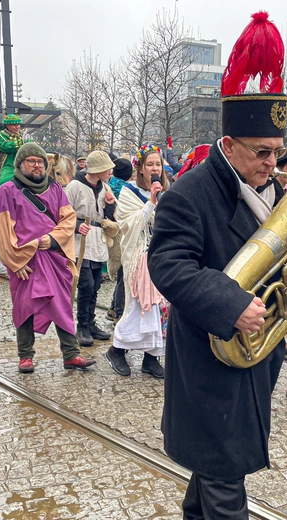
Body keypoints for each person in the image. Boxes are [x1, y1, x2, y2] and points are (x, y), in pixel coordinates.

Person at [147, 12, 287, 518]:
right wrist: (231, 303)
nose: (271, 163)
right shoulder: (189, 194)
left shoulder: (273, 189)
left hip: (256, 351)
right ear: (228, 146)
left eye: (277, 152)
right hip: (211, 353)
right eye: (261, 153)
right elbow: (166, 263)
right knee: (225, 469)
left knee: (215, 464)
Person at [0, 143, 96, 373]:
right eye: (31, 161)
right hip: (24, 260)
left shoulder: (56, 189)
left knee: (62, 304)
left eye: (40, 162)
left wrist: (53, 240)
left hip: (53, 257)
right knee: (25, 306)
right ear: (20, 164)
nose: (37, 165)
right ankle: (25, 356)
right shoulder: (7, 191)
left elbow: (68, 220)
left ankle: (71, 354)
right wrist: (15, 262)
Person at [105, 144, 167, 379]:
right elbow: (127, 224)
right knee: (140, 306)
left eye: (157, 164)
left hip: (162, 255)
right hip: (141, 256)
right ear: (140, 168)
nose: (154, 168)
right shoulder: (130, 192)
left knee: (161, 309)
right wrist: (151, 203)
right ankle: (117, 350)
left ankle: (152, 358)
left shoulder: (166, 190)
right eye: (149, 164)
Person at [65, 150, 117, 346]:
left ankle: (91, 323)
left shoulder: (104, 187)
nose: (110, 172)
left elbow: (107, 215)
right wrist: (77, 225)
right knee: (85, 285)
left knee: (95, 285)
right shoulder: (75, 187)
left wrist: (110, 205)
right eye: (107, 169)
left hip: (98, 242)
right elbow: (62, 213)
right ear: (98, 169)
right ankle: (82, 326)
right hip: (80, 244)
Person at [106, 154, 133, 322]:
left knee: (122, 273)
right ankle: (118, 310)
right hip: (122, 234)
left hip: (111, 234)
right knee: (125, 273)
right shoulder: (127, 190)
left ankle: (113, 309)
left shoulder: (108, 184)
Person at [0, 114, 24, 203]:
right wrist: (20, 143)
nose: (17, 127)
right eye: (14, 125)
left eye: (18, 124)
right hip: (9, 165)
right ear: (8, 126)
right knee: (3, 181)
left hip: (25, 164)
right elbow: (4, 147)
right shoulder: (0, 136)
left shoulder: (23, 135)